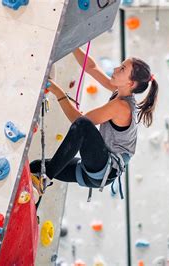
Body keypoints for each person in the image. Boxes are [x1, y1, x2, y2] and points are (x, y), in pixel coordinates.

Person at [30, 47, 158, 202]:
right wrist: (74, 45)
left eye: (122, 68)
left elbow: (79, 122)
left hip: (104, 168)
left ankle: (44, 178)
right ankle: (35, 194)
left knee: (83, 125)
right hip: (96, 169)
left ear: (130, 83)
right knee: (36, 167)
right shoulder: (121, 92)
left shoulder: (122, 107)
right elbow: (91, 67)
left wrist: (59, 93)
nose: (115, 69)